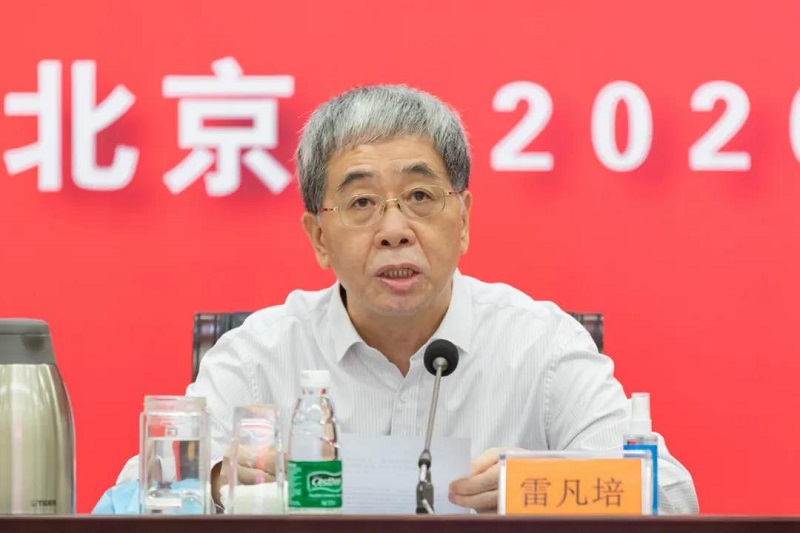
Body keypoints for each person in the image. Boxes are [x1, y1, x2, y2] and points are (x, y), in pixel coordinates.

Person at [114, 85, 698, 514]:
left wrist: (535, 487)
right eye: (362, 203)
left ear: (463, 219)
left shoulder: (541, 346)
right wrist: (217, 484)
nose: (394, 230)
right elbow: (129, 498)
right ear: (319, 238)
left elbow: (671, 495)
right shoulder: (258, 356)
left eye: (420, 196)